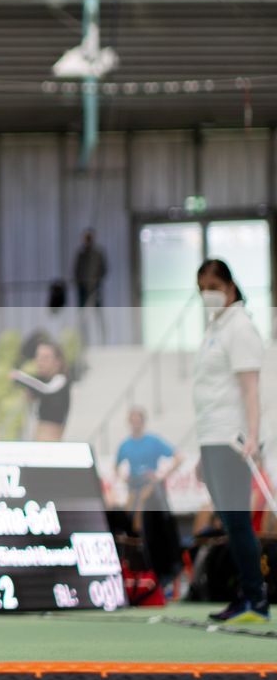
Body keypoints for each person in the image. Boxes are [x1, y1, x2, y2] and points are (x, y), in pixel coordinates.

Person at [190, 258, 267, 623]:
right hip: (212, 437)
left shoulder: (240, 327)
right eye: (202, 288)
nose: (208, 295)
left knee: (238, 522)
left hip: (233, 439)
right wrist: (202, 452)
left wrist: (253, 435)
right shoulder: (213, 329)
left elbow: (250, 389)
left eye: (213, 287)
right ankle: (245, 596)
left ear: (230, 288)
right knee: (228, 523)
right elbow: (208, 394)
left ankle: (256, 599)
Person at [115, 407, 183, 591]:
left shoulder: (153, 441)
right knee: (132, 526)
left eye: (138, 419)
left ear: (143, 421)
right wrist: (125, 478)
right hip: (134, 490)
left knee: (156, 525)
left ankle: (164, 573)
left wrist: (160, 477)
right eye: (132, 420)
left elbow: (178, 457)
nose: (135, 423)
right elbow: (117, 468)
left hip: (151, 491)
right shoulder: (125, 445)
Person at [11, 339, 71, 440]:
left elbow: (45, 389)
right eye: (37, 357)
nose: (39, 362)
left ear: (58, 362)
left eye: (45, 358)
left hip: (50, 438)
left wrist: (19, 377)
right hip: (39, 435)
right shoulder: (45, 380)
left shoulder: (60, 379)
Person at [74, 229, 108, 344]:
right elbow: (76, 272)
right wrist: (81, 283)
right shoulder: (81, 255)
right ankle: (84, 342)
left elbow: (104, 270)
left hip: (95, 288)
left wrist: (95, 280)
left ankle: (103, 342)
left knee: (99, 316)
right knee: (82, 318)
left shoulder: (98, 254)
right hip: (83, 289)